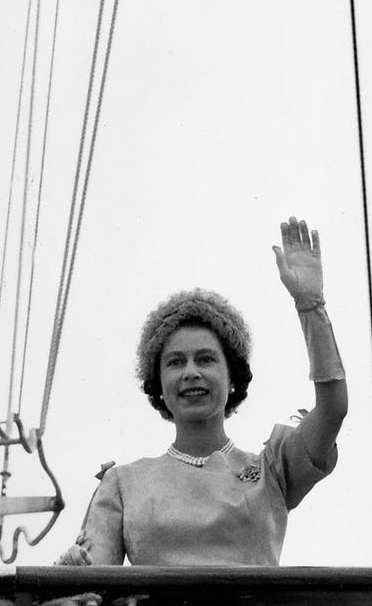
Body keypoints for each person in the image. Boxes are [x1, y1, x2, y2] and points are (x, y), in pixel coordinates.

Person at [56, 217, 346, 566]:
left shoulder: (273, 469)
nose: (191, 372)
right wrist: (76, 568)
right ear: (158, 384)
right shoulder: (123, 483)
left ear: (232, 376)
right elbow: (93, 584)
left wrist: (311, 306)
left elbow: (333, 409)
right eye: (176, 362)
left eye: (206, 359)